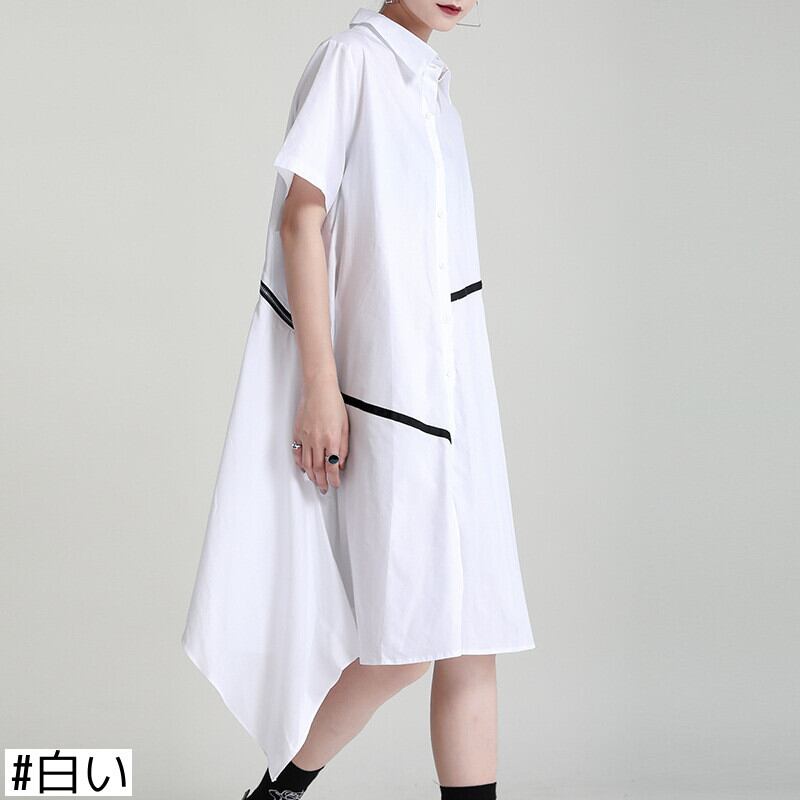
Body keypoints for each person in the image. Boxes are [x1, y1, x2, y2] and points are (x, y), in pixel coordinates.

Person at [181, 3, 536, 799]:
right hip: (392, 402)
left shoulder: (434, 92)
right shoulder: (352, 62)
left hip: (460, 409)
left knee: (472, 636)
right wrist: (320, 387)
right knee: (405, 639)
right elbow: (301, 222)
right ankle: (277, 793)